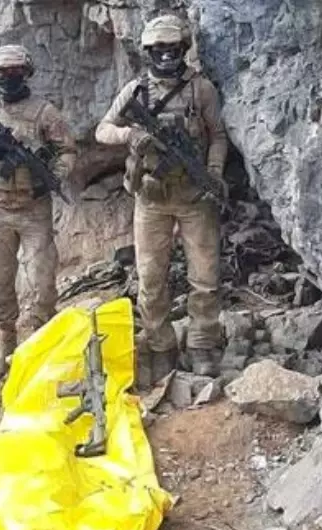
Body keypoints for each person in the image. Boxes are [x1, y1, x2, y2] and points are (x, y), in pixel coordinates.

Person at [95, 14, 228, 383]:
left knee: (205, 276)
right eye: (159, 50)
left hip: (194, 197)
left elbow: (217, 134)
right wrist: (131, 137)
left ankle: (202, 343)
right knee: (151, 278)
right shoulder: (136, 91)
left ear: (183, 49)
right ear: (148, 52)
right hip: (151, 200)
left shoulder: (200, 90)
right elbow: (103, 130)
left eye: (173, 50)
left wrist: (214, 172)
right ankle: (160, 346)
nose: (167, 57)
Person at [0, 44, 78, 380]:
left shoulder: (45, 112)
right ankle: (7, 345)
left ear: (27, 73)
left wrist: (51, 179)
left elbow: (66, 151)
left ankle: (41, 343)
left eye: (16, 71)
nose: (9, 77)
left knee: (43, 281)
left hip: (34, 207)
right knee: (1, 282)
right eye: (2, 73)